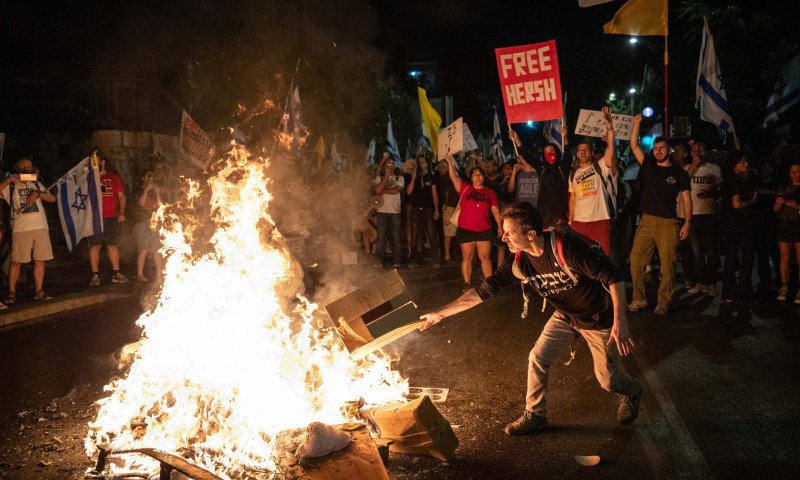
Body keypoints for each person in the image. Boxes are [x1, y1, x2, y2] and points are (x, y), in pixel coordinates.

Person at [420, 202, 641, 435]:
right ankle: (535, 415)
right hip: (566, 316)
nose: (503, 238)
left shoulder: (566, 248)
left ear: (531, 234)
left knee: (609, 381)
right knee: (538, 357)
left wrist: (620, 322)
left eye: (510, 232)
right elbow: (483, 291)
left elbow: (613, 277)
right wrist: (440, 313)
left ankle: (633, 391)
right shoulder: (519, 261)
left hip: (598, 318)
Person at [628, 115, 692, 315]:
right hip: (647, 220)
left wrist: (687, 222)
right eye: (656, 148)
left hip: (668, 223)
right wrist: (636, 124)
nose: (658, 151)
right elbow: (634, 145)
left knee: (668, 265)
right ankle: (639, 299)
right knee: (636, 260)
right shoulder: (648, 165)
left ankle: (664, 302)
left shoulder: (680, 173)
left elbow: (687, 199)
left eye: (662, 148)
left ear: (669, 150)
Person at [0, 158, 57, 304]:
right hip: (21, 228)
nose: (25, 167)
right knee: (16, 261)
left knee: (40, 260)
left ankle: (39, 291)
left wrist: (37, 193)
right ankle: (12, 293)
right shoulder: (11, 186)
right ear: (17, 167)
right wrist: (10, 179)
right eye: (22, 164)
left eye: (28, 165)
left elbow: (52, 198)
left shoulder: (36, 183)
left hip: (40, 227)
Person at [446, 152, 502, 291]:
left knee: (485, 257)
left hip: (484, 229)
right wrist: (449, 162)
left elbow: (495, 211)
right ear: (470, 178)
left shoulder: (490, 192)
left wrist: (500, 226)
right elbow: (453, 177)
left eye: (480, 174)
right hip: (466, 229)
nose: (477, 176)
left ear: (483, 177)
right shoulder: (465, 188)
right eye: (475, 174)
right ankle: (467, 283)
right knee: (467, 257)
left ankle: (489, 283)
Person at [566, 107, 618, 255]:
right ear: (577, 154)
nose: (583, 151)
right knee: (580, 257)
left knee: (603, 257)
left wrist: (610, 129)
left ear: (592, 153)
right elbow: (572, 199)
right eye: (580, 150)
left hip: (600, 220)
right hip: (579, 222)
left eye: (586, 149)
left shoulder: (600, 166)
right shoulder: (573, 174)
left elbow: (611, 151)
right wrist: (570, 220)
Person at [684, 140, 722, 297]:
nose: (698, 153)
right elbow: (682, 183)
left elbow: (722, 190)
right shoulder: (686, 168)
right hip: (692, 215)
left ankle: (711, 283)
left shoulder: (714, 169)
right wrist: (694, 165)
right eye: (695, 151)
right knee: (697, 251)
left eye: (701, 150)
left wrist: (710, 194)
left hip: (709, 214)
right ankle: (701, 282)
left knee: (711, 251)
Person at [720, 151, 757, 303]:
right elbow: (736, 204)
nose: (746, 164)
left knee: (731, 257)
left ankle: (728, 293)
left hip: (730, 225)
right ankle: (744, 292)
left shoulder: (730, 180)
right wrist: (752, 201)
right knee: (746, 257)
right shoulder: (734, 180)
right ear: (734, 164)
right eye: (742, 162)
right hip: (740, 224)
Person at [89, 155, 129, 286]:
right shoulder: (89, 179)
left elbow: (122, 197)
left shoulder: (113, 177)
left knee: (112, 244)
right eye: (92, 161)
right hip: (95, 218)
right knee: (95, 245)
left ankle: (116, 273)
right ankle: (95, 275)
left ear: (103, 162)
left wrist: (121, 213)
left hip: (111, 217)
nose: (94, 162)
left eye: (97, 160)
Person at [406, 155, 439, 268]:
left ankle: (435, 260)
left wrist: (436, 209)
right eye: (420, 162)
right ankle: (413, 260)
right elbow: (408, 192)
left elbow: (434, 195)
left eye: (424, 162)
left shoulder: (430, 177)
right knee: (415, 236)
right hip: (415, 209)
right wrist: (413, 178)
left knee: (432, 235)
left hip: (428, 209)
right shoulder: (412, 176)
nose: (423, 164)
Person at [774, 161, 800, 303]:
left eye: (798, 172)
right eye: (792, 172)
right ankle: (784, 286)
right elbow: (775, 209)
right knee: (785, 258)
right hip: (784, 226)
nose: (795, 175)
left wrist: (796, 206)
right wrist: (778, 204)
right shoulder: (784, 188)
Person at [133, 170, 164, 283]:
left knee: (157, 249)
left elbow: (160, 206)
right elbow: (141, 204)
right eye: (148, 176)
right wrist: (146, 190)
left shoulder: (154, 192)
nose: (151, 178)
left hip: (154, 223)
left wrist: (157, 193)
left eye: (152, 176)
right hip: (142, 223)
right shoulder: (138, 191)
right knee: (144, 248)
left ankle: (159, 275)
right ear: (143, 178)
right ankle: (140, 274)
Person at [373, 156, 404, 268]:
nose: (390, 166)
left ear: (394, 166)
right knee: (381, 237)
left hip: (395, 211)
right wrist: (385, 177)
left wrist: (383, 191)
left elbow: (396, 190)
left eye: (391, 164)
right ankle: (378, 260)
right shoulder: (380, 177)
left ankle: (397, 260)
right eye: (387, 165)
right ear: (384, 167)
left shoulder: (399, 177)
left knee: (395, 236)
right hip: (382, 211)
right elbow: (377, 190)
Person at [435, 159, 459, 263]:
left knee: (454, 232)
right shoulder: (443, 178)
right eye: (439, 167)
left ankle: (451, 254)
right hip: (449, 207)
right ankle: (447, 255)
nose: (441, 169)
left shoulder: (450, 177)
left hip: (455, 207)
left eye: (443, 167)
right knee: (448, 233)